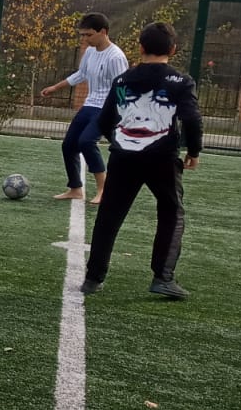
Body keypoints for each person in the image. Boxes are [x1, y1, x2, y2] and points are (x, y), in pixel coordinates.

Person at [81, 22, 202, 300]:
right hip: (162, 158)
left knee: (109, 215)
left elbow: (105, 119)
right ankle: (163, 277)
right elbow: (192, 119)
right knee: (171, 213)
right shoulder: (181, 82)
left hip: (124, 157)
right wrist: (193, 152)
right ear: (172, 49)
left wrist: (119, 142)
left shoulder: (123, 80)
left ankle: (93, 277)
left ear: (141, 47)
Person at [39, 12, 127, 203]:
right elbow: (81, 74)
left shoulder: (116, 57)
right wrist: (55, 87)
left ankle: (104, 190)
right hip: (90, 105)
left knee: (87, 142)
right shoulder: (90, 52)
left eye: (88, 35)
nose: (85, 39)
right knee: (69, 145)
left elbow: (122, 87)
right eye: (82, 35)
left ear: (103, 32)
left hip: (106, 109)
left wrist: (122, 113)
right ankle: (75, 188)